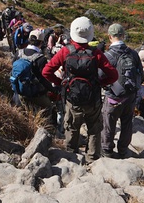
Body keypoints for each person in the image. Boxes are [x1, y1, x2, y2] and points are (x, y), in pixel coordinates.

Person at [43, 17, 118, 162]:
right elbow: (113, 75)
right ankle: (92, 158)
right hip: (93, 98)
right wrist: (101, 83)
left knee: (72, 127)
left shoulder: (65, 51)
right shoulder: (96, 53)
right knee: (94, 129)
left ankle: (72, 156)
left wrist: (61, 83)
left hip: (72, 97)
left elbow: (46, 71)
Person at [101, 23, 143, 158]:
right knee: (127, 124)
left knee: (108, 123)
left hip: (113, 96)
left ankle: (107, 150)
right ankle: (123, 150)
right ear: (123, 36)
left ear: (109, 37)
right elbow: (140, 74)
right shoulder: (133, 53)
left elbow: (100, 76)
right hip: (130, 96)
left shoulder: (107, 55)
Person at [13, 31, 57, 130]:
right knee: (48, 107)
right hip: (34, 93)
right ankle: (47, 130)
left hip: (18, 90)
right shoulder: (40, 59)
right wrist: (52, 89)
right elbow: (43, 79)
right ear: (41, 43)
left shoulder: (18, 53)